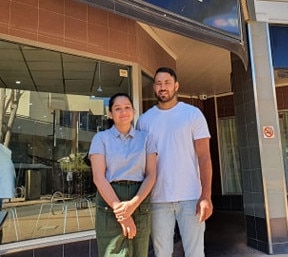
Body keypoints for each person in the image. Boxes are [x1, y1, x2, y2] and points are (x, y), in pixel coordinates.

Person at [136, 67, 213, 257]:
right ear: (154, 87)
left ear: (176, 86)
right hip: (157, 199)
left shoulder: (193, 114)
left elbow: (204, 157)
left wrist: (206, 196)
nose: (163, 87)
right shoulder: (144, 121)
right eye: (159, 83)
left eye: (167, 83)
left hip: (191, 197)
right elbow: (141, 163)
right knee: (162, 253)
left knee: (195, 252)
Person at [89, 93, 157, 257]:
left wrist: (133, 204)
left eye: (127, 107)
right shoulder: (101, 138)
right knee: (112, 253)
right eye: (117, 108)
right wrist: (123, 214)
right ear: (110, 114)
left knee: (139, 253)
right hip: (110, 200)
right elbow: (98, 177)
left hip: (139, 199)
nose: (123, 112)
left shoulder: (146, 138)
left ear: (133, 111)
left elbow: (151, 175)